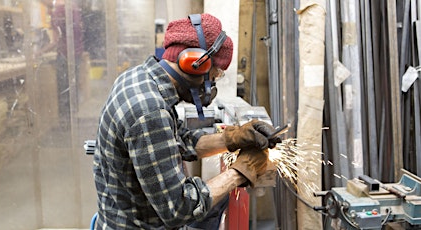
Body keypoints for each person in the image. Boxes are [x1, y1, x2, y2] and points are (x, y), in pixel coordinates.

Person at [93, 13, 281, 229]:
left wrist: (233, 138)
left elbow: (181, 140)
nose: (213, 82)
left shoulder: (139, 78)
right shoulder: (150, 112)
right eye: (215, 73)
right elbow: (179, 209)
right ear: (195, 64)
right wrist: (241, 171)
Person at [36, 0, 84, 129]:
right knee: (72, 88)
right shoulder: (72, 6)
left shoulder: (58, 11)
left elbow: (56, 41)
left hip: (65, 55)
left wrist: (39, 52)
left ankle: (65, 122)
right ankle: (72, 119)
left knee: (64, 90)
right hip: (77, 53)